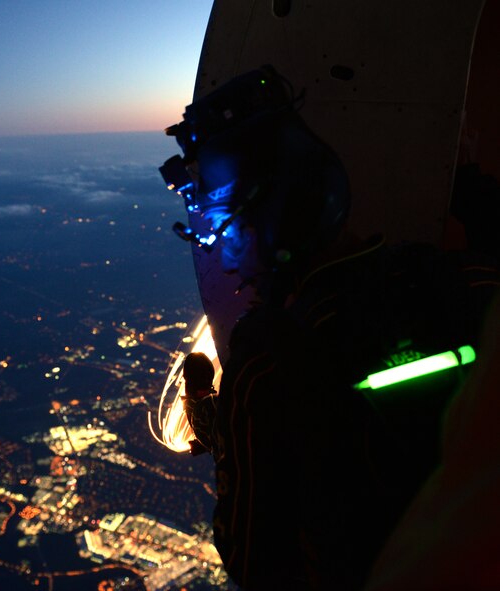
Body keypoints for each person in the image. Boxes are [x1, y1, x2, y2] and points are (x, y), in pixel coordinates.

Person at [160, 66, 499, 589]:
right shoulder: (462, 283)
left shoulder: (268, 360)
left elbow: (249, 555)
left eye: (221, 229)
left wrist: (213, 413)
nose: (223, 258)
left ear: (270, 221)